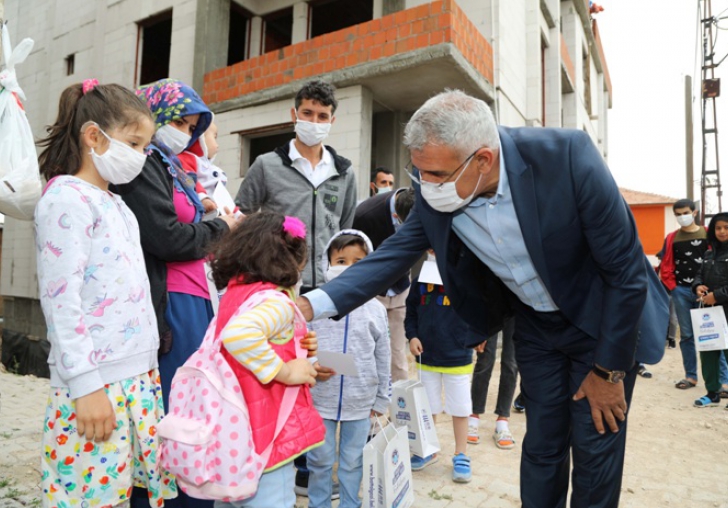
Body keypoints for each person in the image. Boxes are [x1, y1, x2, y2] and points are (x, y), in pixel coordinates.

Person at [298, 90, 668, 508]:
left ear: (483, 160)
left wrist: (609, 372)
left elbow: (626, 274)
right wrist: (309, 306)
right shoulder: (436, 187)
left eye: (436, 174)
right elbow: (389, 258)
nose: (425, 186)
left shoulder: (567, 158)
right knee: (542, 447)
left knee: (594, 449)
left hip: (600, 326)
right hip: (536, 328)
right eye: (418, 172)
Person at [35, 80, 176, 507]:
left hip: (137, 378)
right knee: (90, 498)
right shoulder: (66, 199)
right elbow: (62, 301)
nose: (141, 156)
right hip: (96, 383)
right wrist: (85, 386)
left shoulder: (117, 205)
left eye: (146, 145)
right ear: (93, 136)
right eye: (134, 142)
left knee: (123, 495)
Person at [112, 78, 240, 508]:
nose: (186, 131)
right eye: (179, 122)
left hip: (197, 299)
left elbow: (183, 225)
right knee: (176, 411)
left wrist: (205, 217)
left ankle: (195, 493)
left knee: (196, 406)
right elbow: (167, 238)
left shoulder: (170, 166)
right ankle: (172, 498)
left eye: (193, 125)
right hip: (173, 304)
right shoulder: (143, 164)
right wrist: (220, 227)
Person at [207, 212, 325, 508]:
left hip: (233, 437)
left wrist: (297, 347)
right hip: (267, 441)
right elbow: (239, 336)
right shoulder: (275, 301)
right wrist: (284, 371)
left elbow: (242, 344)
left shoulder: (237, 294)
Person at [235, 79, 358, 294]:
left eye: (322, 116)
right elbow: (241, 219)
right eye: (307, 113)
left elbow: (344, 229)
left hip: (328, 286)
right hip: (277, 282)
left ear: (332, 121)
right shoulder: (266, 165)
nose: (314, 122)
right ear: (294, 115)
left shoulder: (344, 172)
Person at [306, 230, 390, 508]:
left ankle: (350, 503)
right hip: (320, 399)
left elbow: (383, 357)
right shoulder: (314, 305)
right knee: (319, 460)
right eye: (341, 260)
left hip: (361, 402)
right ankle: (318, 503)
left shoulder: (376, 310)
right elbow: (300, 346)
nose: (348, 268)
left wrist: (381, 399)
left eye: (358, 261)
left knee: (353, 461)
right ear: (326, 263)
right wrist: (311, 367)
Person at [405, 253, 486, 483]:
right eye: (431, 248)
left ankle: (461, 455)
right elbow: (410, 313)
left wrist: (481, 333)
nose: (437, 252)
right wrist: (411, 336)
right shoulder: (419, 281)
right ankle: (427, 449)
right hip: (426, 358)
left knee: (460, 409)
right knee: (427, 408)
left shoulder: (465, 278)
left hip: (457, 357)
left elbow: (479, 308)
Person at [353, 188, 416, 382]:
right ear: (396, 216)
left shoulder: (420, 207)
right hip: (371, 291)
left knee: (397, 355)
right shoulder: (365, 215)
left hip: (400, 288)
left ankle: (399, 408)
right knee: (368, 350)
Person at [660, 199, 709, 389]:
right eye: (678, 214)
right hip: (681, 291)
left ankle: (721, 380)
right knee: (687, 335)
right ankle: (690, 376)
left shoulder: (707, 233)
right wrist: (673, 287)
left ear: (694, 212)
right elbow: (666, 264)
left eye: (685, 212)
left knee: (711, 335)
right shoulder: (672, 237)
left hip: (705, 293)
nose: (682, 217)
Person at [692, 212, 728, 408]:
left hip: (726, 311)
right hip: (710, 314)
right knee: (708, 353)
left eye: (726, 227)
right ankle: (712, 393)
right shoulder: (708, 253)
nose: (722, 231)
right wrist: (697, 286)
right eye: (718, 228)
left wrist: (718, 295)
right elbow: (699, 275)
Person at [469, 316, 518, 449]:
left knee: (511, 363)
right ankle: (473, 416)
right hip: (491, 304)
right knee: (484, 359)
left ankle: (502, 421)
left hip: (515, 306)